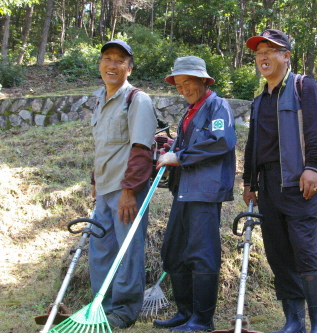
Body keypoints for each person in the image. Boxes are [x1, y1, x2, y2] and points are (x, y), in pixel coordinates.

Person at [242, 29, 317, 333]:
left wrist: (313, 168)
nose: (263, 57)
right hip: (266, 186)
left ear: (286, 56)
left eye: (270, 50)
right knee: (278, 255)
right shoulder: (258, 101)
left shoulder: (303, 86)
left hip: (297, 183)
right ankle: (294, 320)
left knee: (305, 252)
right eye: (258, 52)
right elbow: (253, 144)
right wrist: (248, 182)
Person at [153, 56, 236, 332]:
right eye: (178, 84)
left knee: (202, 254)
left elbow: (221, 141)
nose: (183, 88)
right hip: (184, 191)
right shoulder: (188, 112)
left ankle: (202, 320)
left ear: (203, 80)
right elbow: (182, 147)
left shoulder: (217, 106)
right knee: (174, 251)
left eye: (188, 82)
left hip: (205, 191)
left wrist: (179, 157)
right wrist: (170, 155)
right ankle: (185, 312)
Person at [88, 39, 158, 329]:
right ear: (100, 64)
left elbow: (141, 149)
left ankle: (124, 311)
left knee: (128, 252)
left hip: (126, 191)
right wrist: (95, 181)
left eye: (119, 60)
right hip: (104, 190)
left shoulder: (137, 100)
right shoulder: (100, 100)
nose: (112, 65)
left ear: (129, 68)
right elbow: (102, 146)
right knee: (101, 249)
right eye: (107, 58)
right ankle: (101, 306)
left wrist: (129, 191)